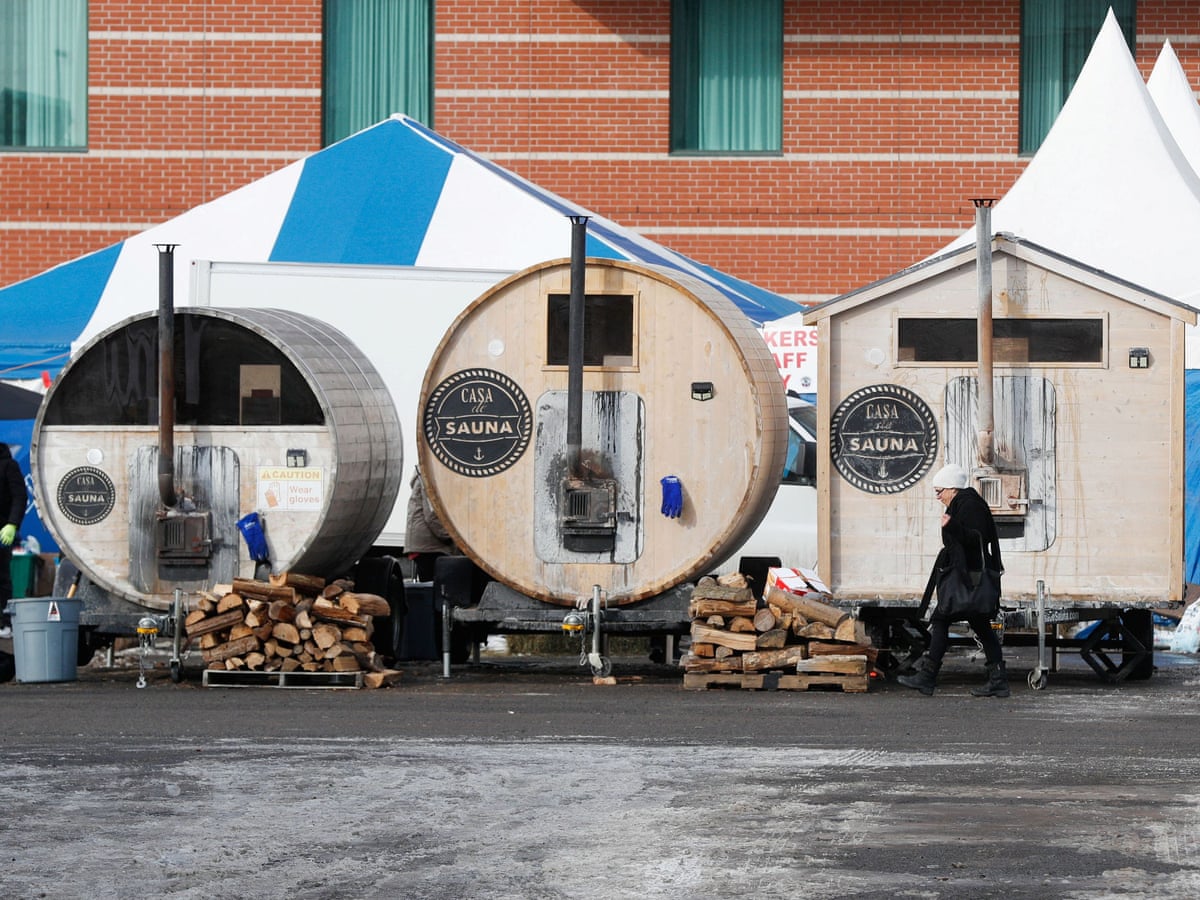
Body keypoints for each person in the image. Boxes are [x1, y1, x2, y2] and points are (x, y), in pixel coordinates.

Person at [898, 462, 1009, 698]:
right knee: (980, 626)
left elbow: (976, 538)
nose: (938, 497)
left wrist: (953, 525)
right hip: (968, 578)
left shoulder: (969, 506)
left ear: (953, 489)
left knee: (940, 620)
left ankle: (927, 677)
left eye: (940, 491)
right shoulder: (965, 503)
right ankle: (998, 680)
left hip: (968, 578)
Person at [0, 442, 29, 637]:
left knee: (1, 579)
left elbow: (20, 497)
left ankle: (3, 623)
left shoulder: (8, 465)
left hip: (2, 532)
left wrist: (12, 524)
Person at [405, 467, 454, 581]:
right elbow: (432, 513)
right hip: (430, 545)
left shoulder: (425, 475)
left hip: (424, 543)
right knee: (436, 587)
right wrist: (450, 536)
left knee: (429, 585)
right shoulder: (430, 476)